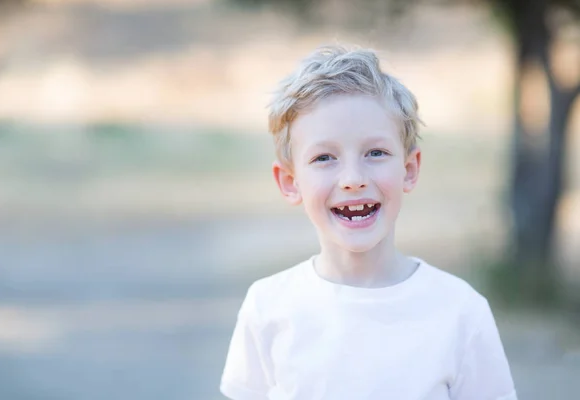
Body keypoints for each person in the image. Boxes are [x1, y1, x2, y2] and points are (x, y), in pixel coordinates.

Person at [219, 44, 517, 400]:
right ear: (290, 181)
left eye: (375, 153)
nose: (352, 178)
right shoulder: (267, 306)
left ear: (409, 170)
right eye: (324, 157)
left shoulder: (460, 311)